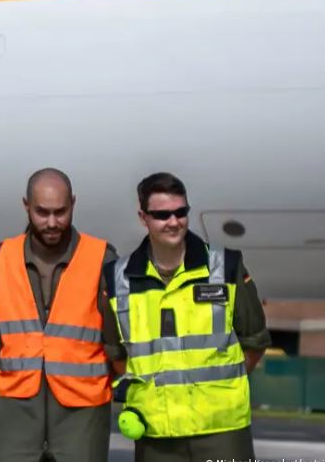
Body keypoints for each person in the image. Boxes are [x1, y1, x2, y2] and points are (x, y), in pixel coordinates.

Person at [103, 172, 270, 462]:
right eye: (162, 215)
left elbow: (255, 341)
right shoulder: (117, 280)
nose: (174, 221)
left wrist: (218, 393)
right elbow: (116, 354)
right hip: (156, 433)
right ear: (143, 218)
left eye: (181, 212)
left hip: (222, 431)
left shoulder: (226, 266)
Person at [0, 168, 116, 461]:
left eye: (60, 212)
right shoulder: (2, 259)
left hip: (83, 416)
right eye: (42, 212)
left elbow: (116, 344)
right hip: (16, 413)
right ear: (26, 205)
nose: (52, 222)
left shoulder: (102, 259)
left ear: (73, 204)